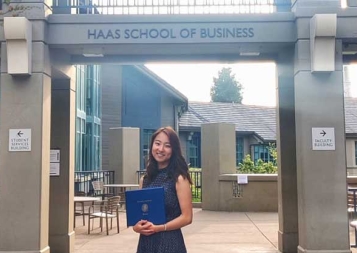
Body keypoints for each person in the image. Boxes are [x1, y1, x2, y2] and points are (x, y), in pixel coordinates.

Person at [133, 126, 193, 253]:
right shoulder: (145, 179)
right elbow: (140, 215)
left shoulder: (179, 179)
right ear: (152, 146)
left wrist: (159, 228)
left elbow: (187, 217)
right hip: (146, 243)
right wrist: (136, 227)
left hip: (170, 242)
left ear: (173, 150)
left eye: (167, 145)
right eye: (157, 144)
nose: (160, 149)